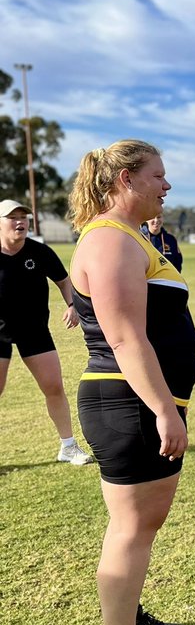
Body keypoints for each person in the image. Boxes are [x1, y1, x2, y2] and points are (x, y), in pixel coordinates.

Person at [68, 141, 195, 625]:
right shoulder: (109, 241)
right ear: (125, 179)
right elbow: (126, 340)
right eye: (158, 176)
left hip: (134, 401)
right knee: (131, 527)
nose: (166, 186)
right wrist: (165, 411)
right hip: (129, 403)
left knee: (140, 523)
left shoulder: (123, 239)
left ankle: (130, 617)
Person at [0, 198, 93, 465]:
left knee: (53, 386)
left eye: (24, 217)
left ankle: (68, 447)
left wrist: (73, 305)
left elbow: (65, 282)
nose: (20, 222)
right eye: (12, 217)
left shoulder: (39, 252)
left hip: (34, 329)